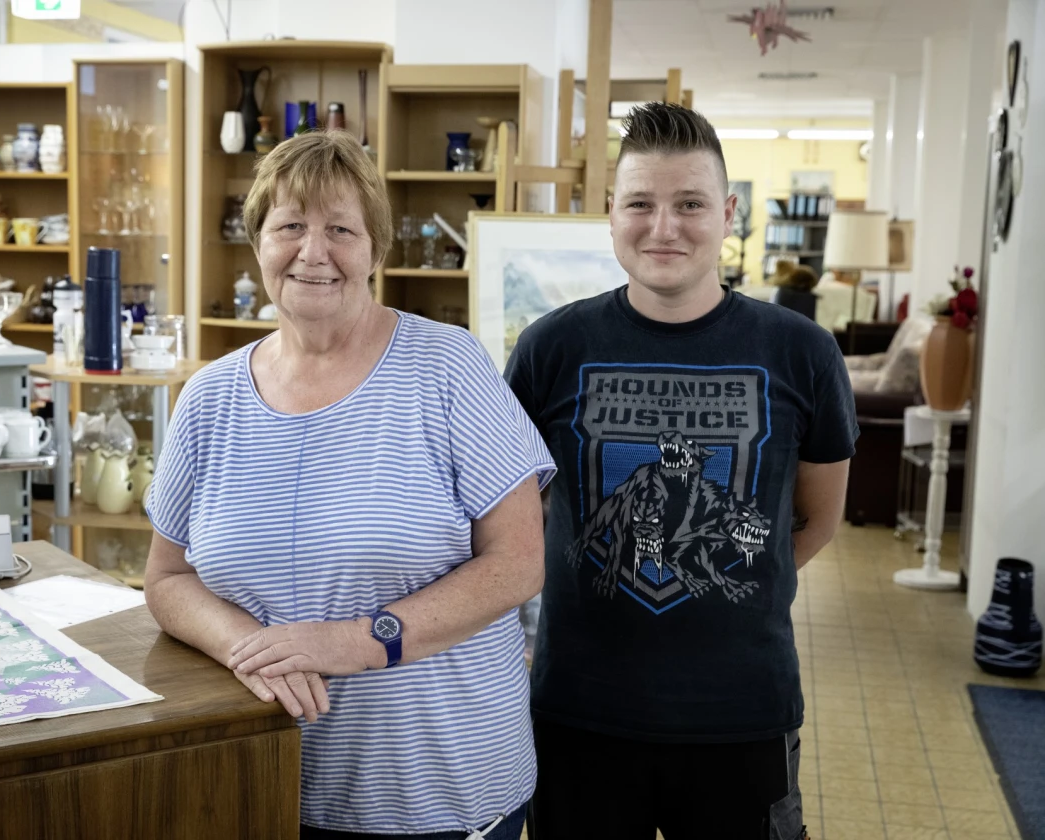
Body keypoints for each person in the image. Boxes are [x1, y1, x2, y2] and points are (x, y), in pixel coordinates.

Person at [143, 130, 554, 840]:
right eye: (289, 227)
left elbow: (519, 563)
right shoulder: (208, 398)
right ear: (258, 242)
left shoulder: (448, 368)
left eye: (340, 229)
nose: (313, 252)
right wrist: (248, 645)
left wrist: (360, 641)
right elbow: (167, 577)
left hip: (439, 790)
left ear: (374, 249)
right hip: (262, 783)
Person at [505, 102, 857, 840]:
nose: (663, 227)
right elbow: (512, 522)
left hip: (741, 713)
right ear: (611, 213)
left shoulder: (801, 352)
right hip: (580, 712)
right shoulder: (550, 349)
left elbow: (816, 520)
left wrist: (723, 575)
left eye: (690, 204)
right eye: (641, 203)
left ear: (727, 215)